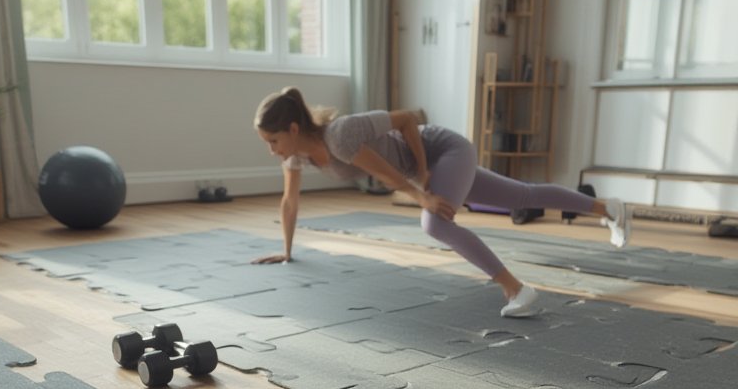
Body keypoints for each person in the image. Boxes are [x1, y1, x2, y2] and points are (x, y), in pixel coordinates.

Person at [252, 87, 632, 317]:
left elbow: (408, 120)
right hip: (427, 169)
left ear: (294, 129)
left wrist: (423, 179)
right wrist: (286, 251)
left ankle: (516, 289)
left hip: (442, 148)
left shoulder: (340, 135)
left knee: (434, 222)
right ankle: (608, 209)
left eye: (272, 141)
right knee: (521, 196)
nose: (271, 151)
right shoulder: (296, 157)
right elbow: (289, 203)